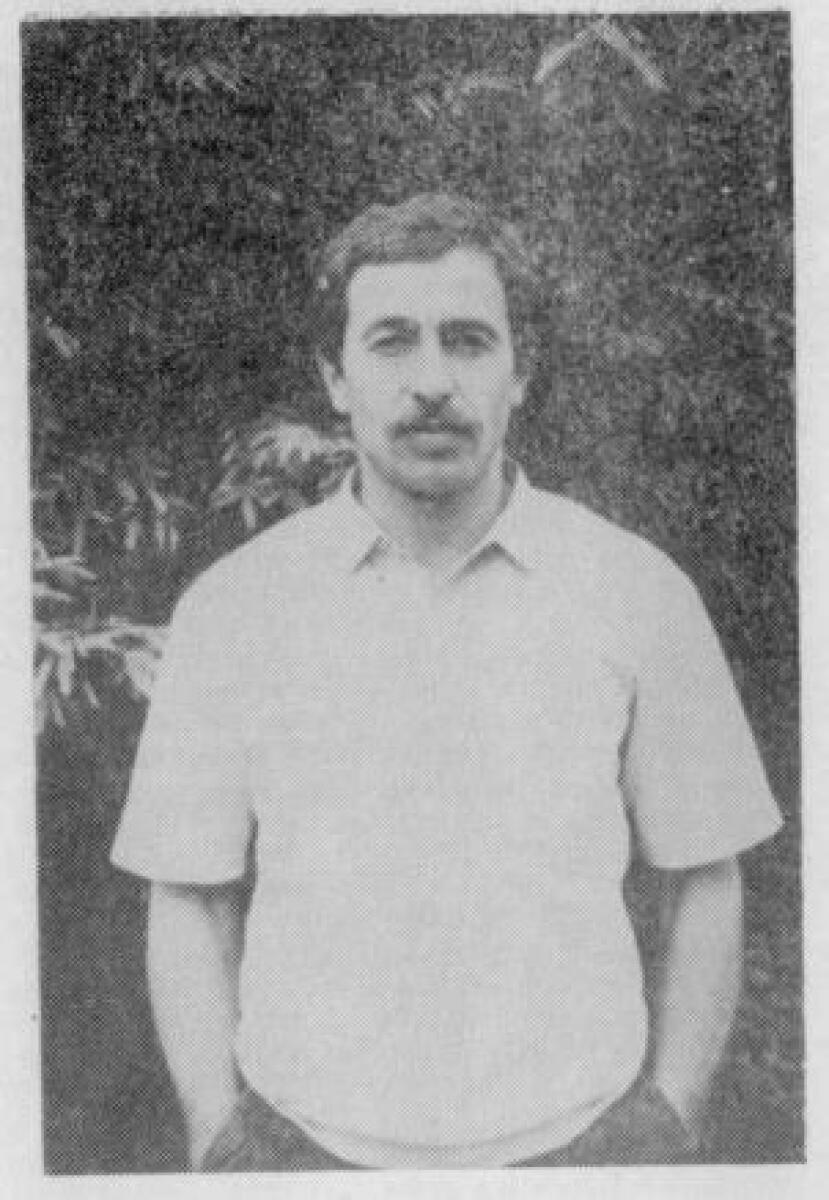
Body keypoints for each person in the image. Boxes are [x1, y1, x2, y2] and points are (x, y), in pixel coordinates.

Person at [111, 192, 782, 1171]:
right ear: (333, 377)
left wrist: (668, 1122)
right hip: (302, 1152)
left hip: (581, 1149)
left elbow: (706, 872)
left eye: (468, 341)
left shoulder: (635, 590)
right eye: (391, 342)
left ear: (522, 372)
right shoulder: (234, 609)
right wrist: (219, 1140)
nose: (432, 382)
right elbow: (187, 893)